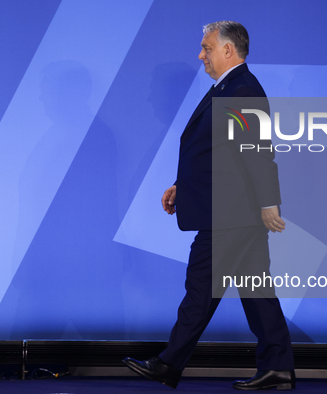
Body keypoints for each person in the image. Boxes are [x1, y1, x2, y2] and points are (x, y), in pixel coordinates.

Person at [123, 21, 295, 390]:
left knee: (201, 288)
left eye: (207, 48)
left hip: (231, 215)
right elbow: (219, 154)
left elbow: (257, 153)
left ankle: (169, 363)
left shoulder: (243, 89)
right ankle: (278, 366)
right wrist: (181, 186)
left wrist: (269, 204)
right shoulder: (229, 87)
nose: (201, 55)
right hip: (232, 211)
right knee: (256, 290)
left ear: (228, 50)